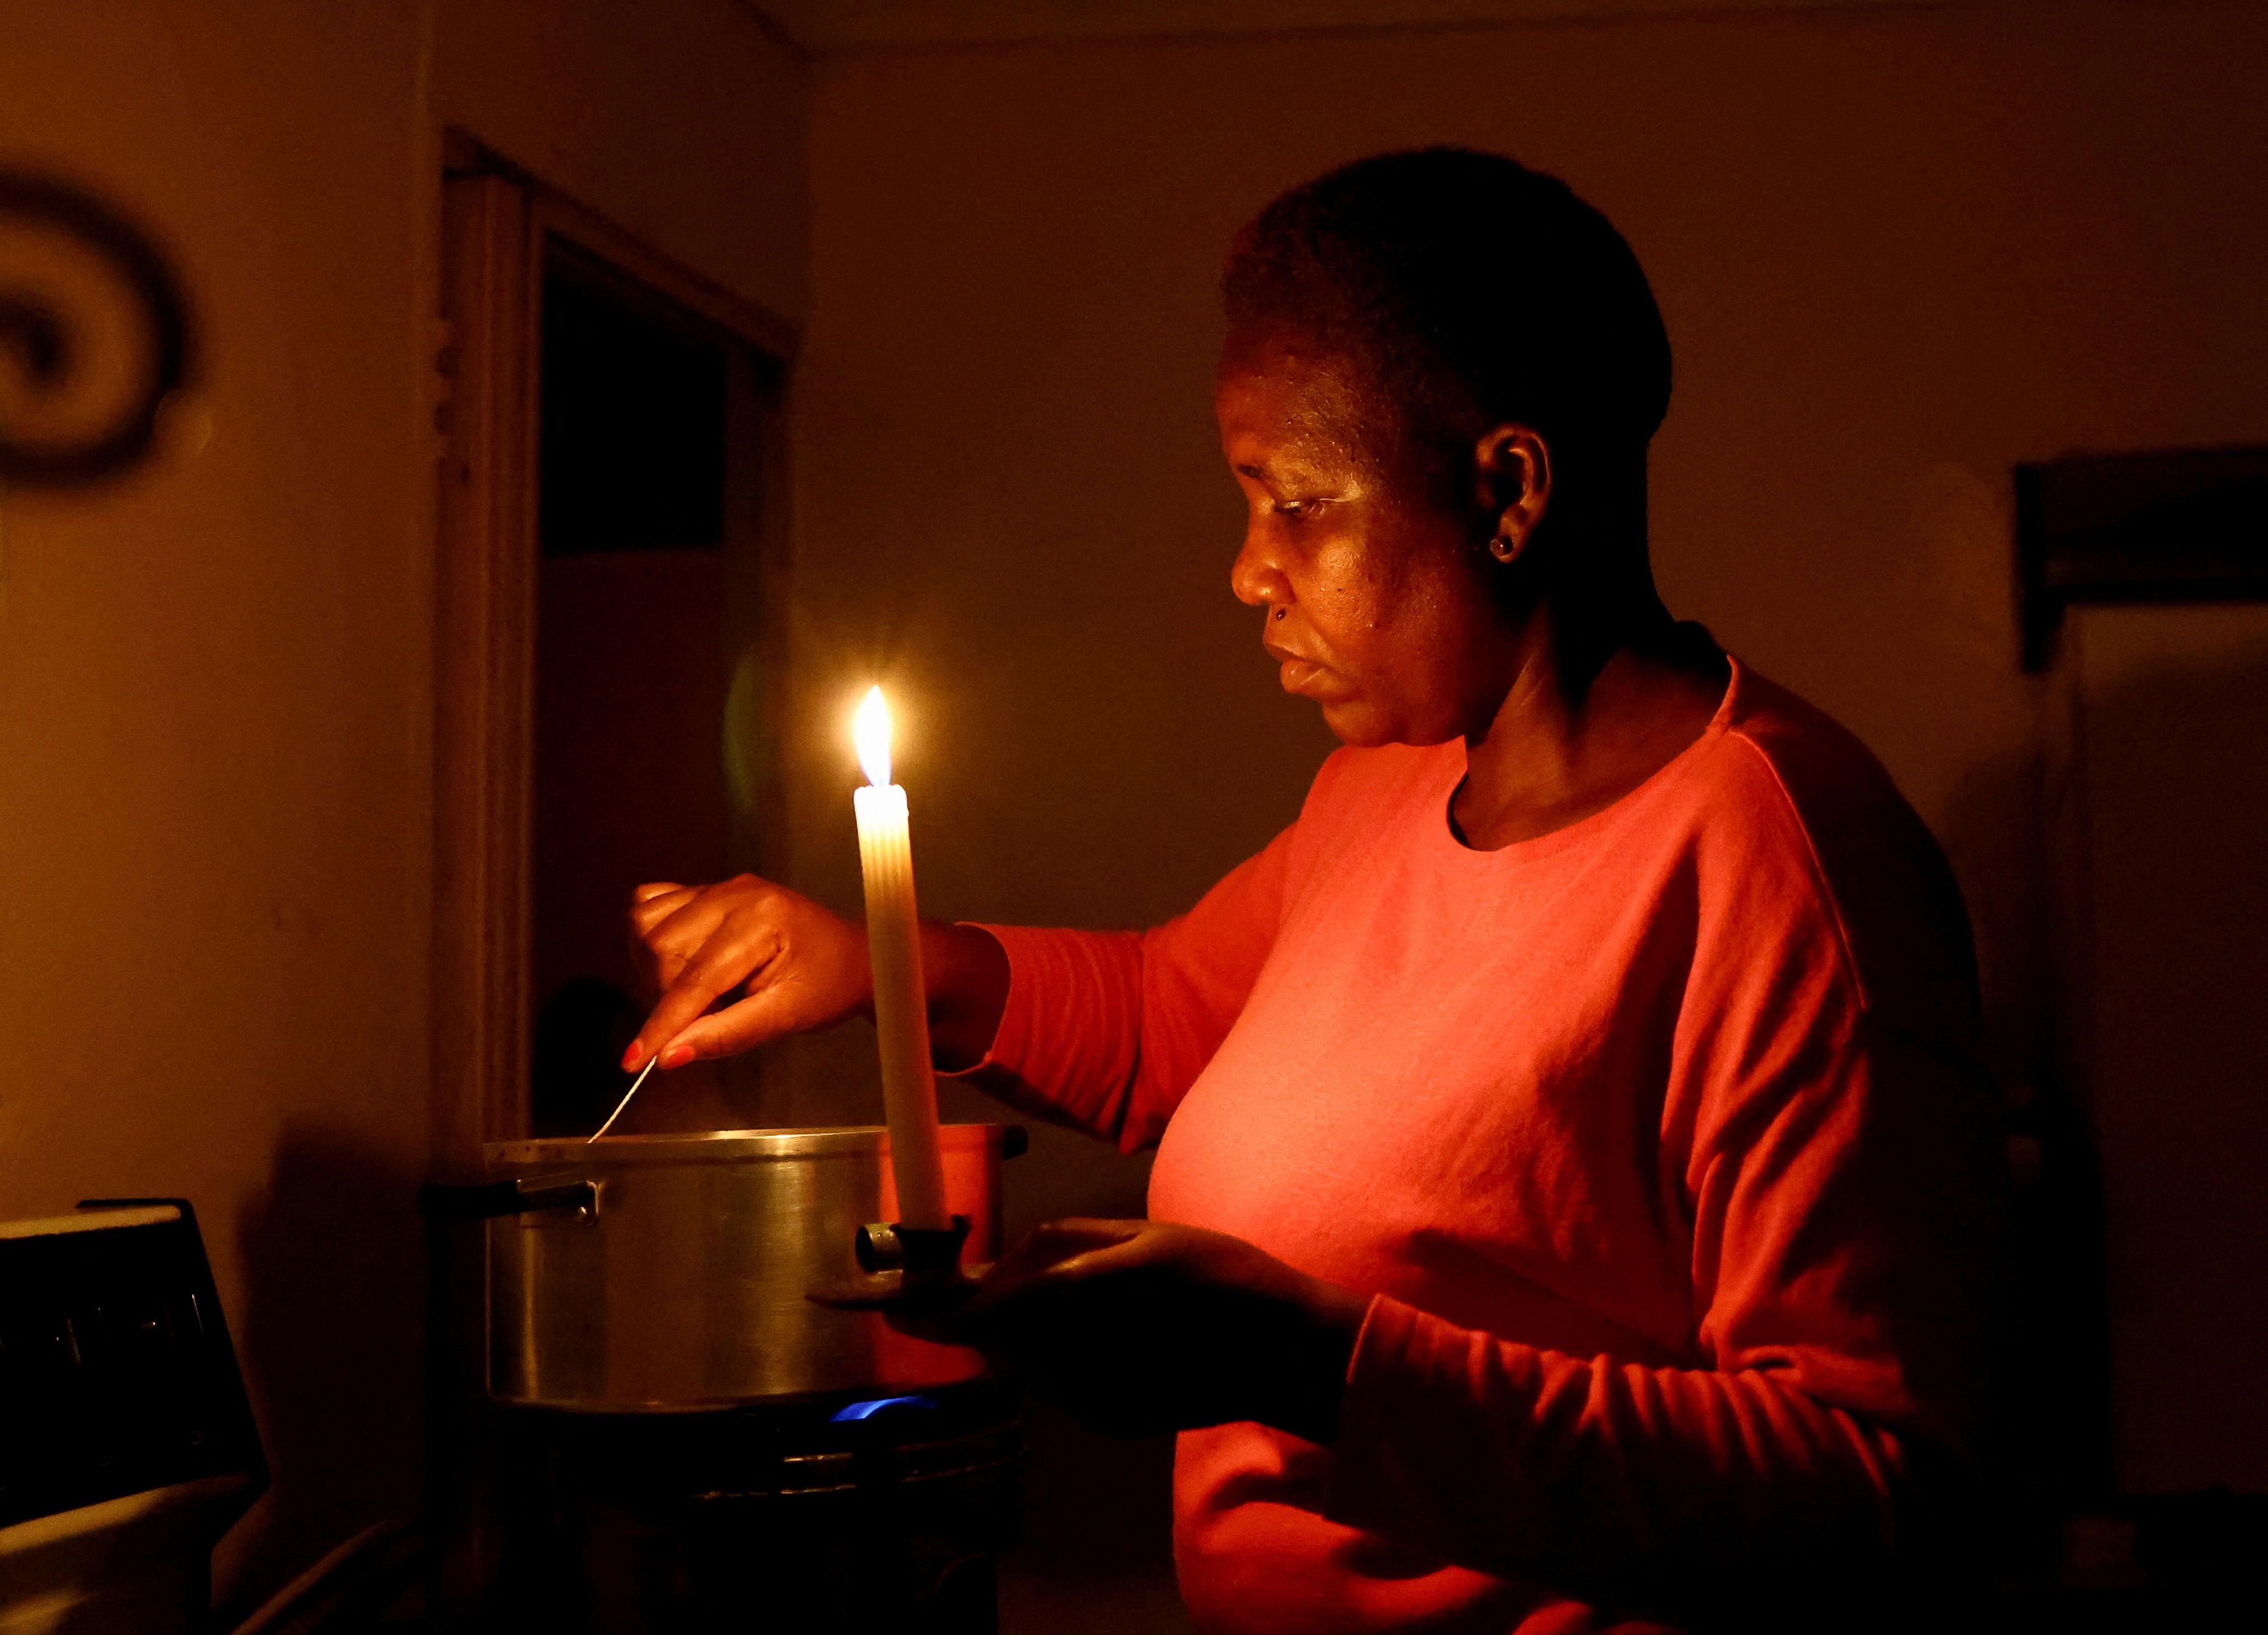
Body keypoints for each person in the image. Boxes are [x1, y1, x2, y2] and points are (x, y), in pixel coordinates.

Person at [622, 149, 2007, 1633]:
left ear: (1510, 490)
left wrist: (1309, 1362)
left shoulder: (1780, 861)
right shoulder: (1394, 785)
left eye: (1294, 503)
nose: (1246, 571)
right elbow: (1179, 1020)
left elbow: (1875, 1487)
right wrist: (888, 961)